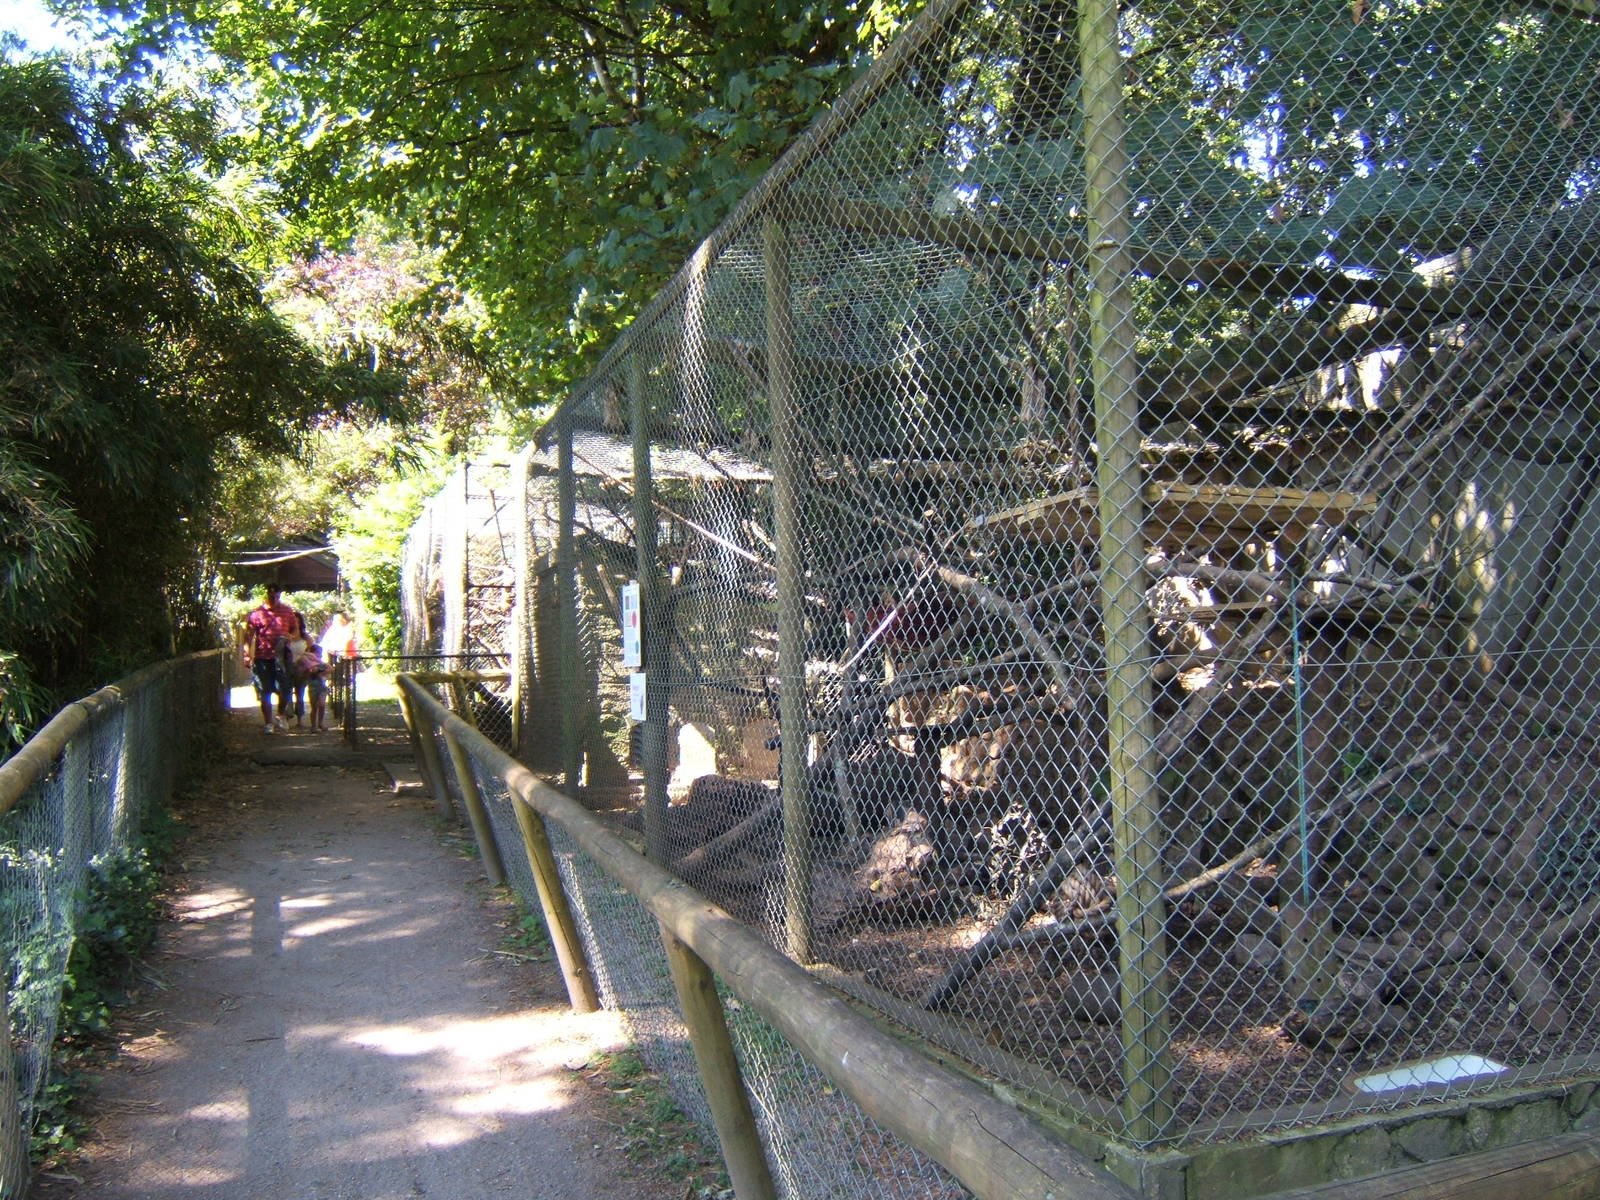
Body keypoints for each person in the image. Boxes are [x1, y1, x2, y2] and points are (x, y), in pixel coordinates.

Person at [240, 584, 299, 733]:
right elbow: (248, 635)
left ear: (280, 595)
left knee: (284, 688)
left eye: (277, 595)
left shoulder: (287, 611)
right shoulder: (257, 613)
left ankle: (280, 715)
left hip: (282, 657)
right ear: (267, 594)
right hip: (263, 657)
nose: (274, 598)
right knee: (264, 690)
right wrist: (247, 655)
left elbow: (295, 629)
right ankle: (268, 723)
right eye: (271, 595)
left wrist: (290, 637)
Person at [276, 613, 312, 726]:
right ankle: (286, 716)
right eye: (293, 620)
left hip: (302, 669)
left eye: (298, 620)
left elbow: (312, 653)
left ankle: (300, 719)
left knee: (300, 694)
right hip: (287, 668)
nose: (296, 623)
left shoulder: (306, 638)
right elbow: (279, 653)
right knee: (286, 694)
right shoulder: (285, 637)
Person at [301, 642, 331, 731]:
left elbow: (330, 669)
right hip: (313, 687)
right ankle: (313, 725)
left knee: (322, 705)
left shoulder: (321, 663)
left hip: (322, 687)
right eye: (317, 653)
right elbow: (312, 671)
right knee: (314, 707)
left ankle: (321, 723)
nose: (319, 655)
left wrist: (320, 669)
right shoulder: (307, 662)